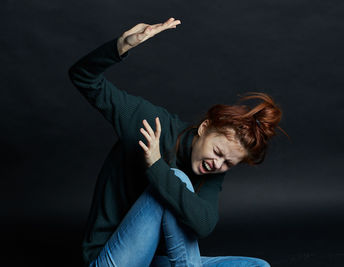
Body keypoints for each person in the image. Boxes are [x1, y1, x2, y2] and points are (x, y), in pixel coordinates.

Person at [69, 17, 287, 267]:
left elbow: (204, 224)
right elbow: (82, 77)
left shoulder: (213, 169)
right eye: (217, 152)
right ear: (205, 127)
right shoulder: (151, 123)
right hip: (112, 259)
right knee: (178, 179)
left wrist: (156, 166)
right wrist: (121, 46)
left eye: (228, 162)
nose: (218, 164)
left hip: (157, 261)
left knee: (257, 266)